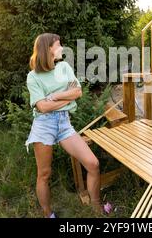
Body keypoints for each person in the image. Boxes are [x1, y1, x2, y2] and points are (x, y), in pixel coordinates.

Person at [25, 33, 111, 218]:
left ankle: (95, 208)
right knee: (44, 174)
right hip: (43, 125)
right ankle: (48, 214)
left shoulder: (63, 67)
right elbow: (42, 107)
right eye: (58, 45)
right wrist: (66, 99)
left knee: (93, 163)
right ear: (48, 49)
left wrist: (55, 97)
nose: (62, 48)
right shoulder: (33, 77)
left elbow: (77, 91)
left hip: (64, 124)